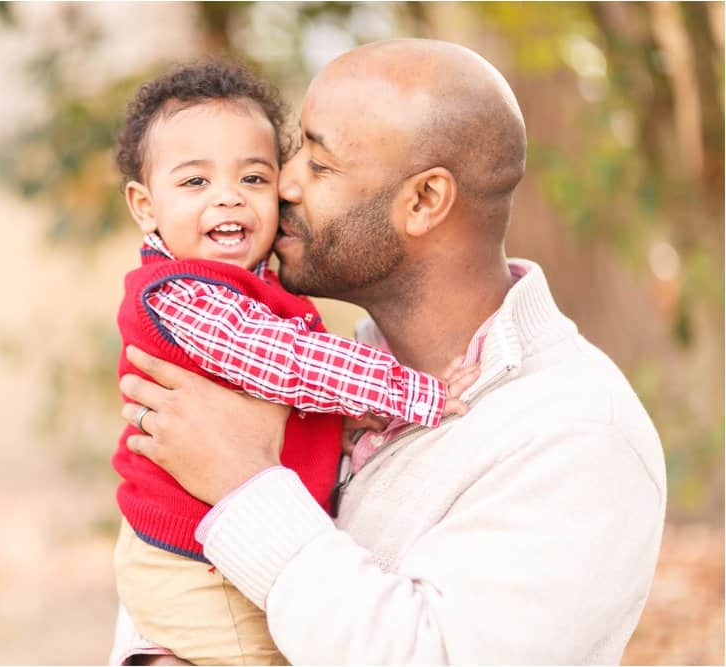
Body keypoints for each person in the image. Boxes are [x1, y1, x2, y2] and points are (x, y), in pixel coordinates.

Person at [114, 39, 666, 665]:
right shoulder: (313, 367)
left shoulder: (576, 432)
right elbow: (169, 574)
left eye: (317, 165)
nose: (281, 186)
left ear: (424, 200)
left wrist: (245, 485)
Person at [110, 60, 478, 666]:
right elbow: (286, 367)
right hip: (191, 561)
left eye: (253, 178)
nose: (229, 196)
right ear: (146, 207)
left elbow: (286, 408)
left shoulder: (256, 290)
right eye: (195, 183)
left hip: (220, 549)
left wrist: (356, 423)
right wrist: (414, 394)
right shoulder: (181, 294)